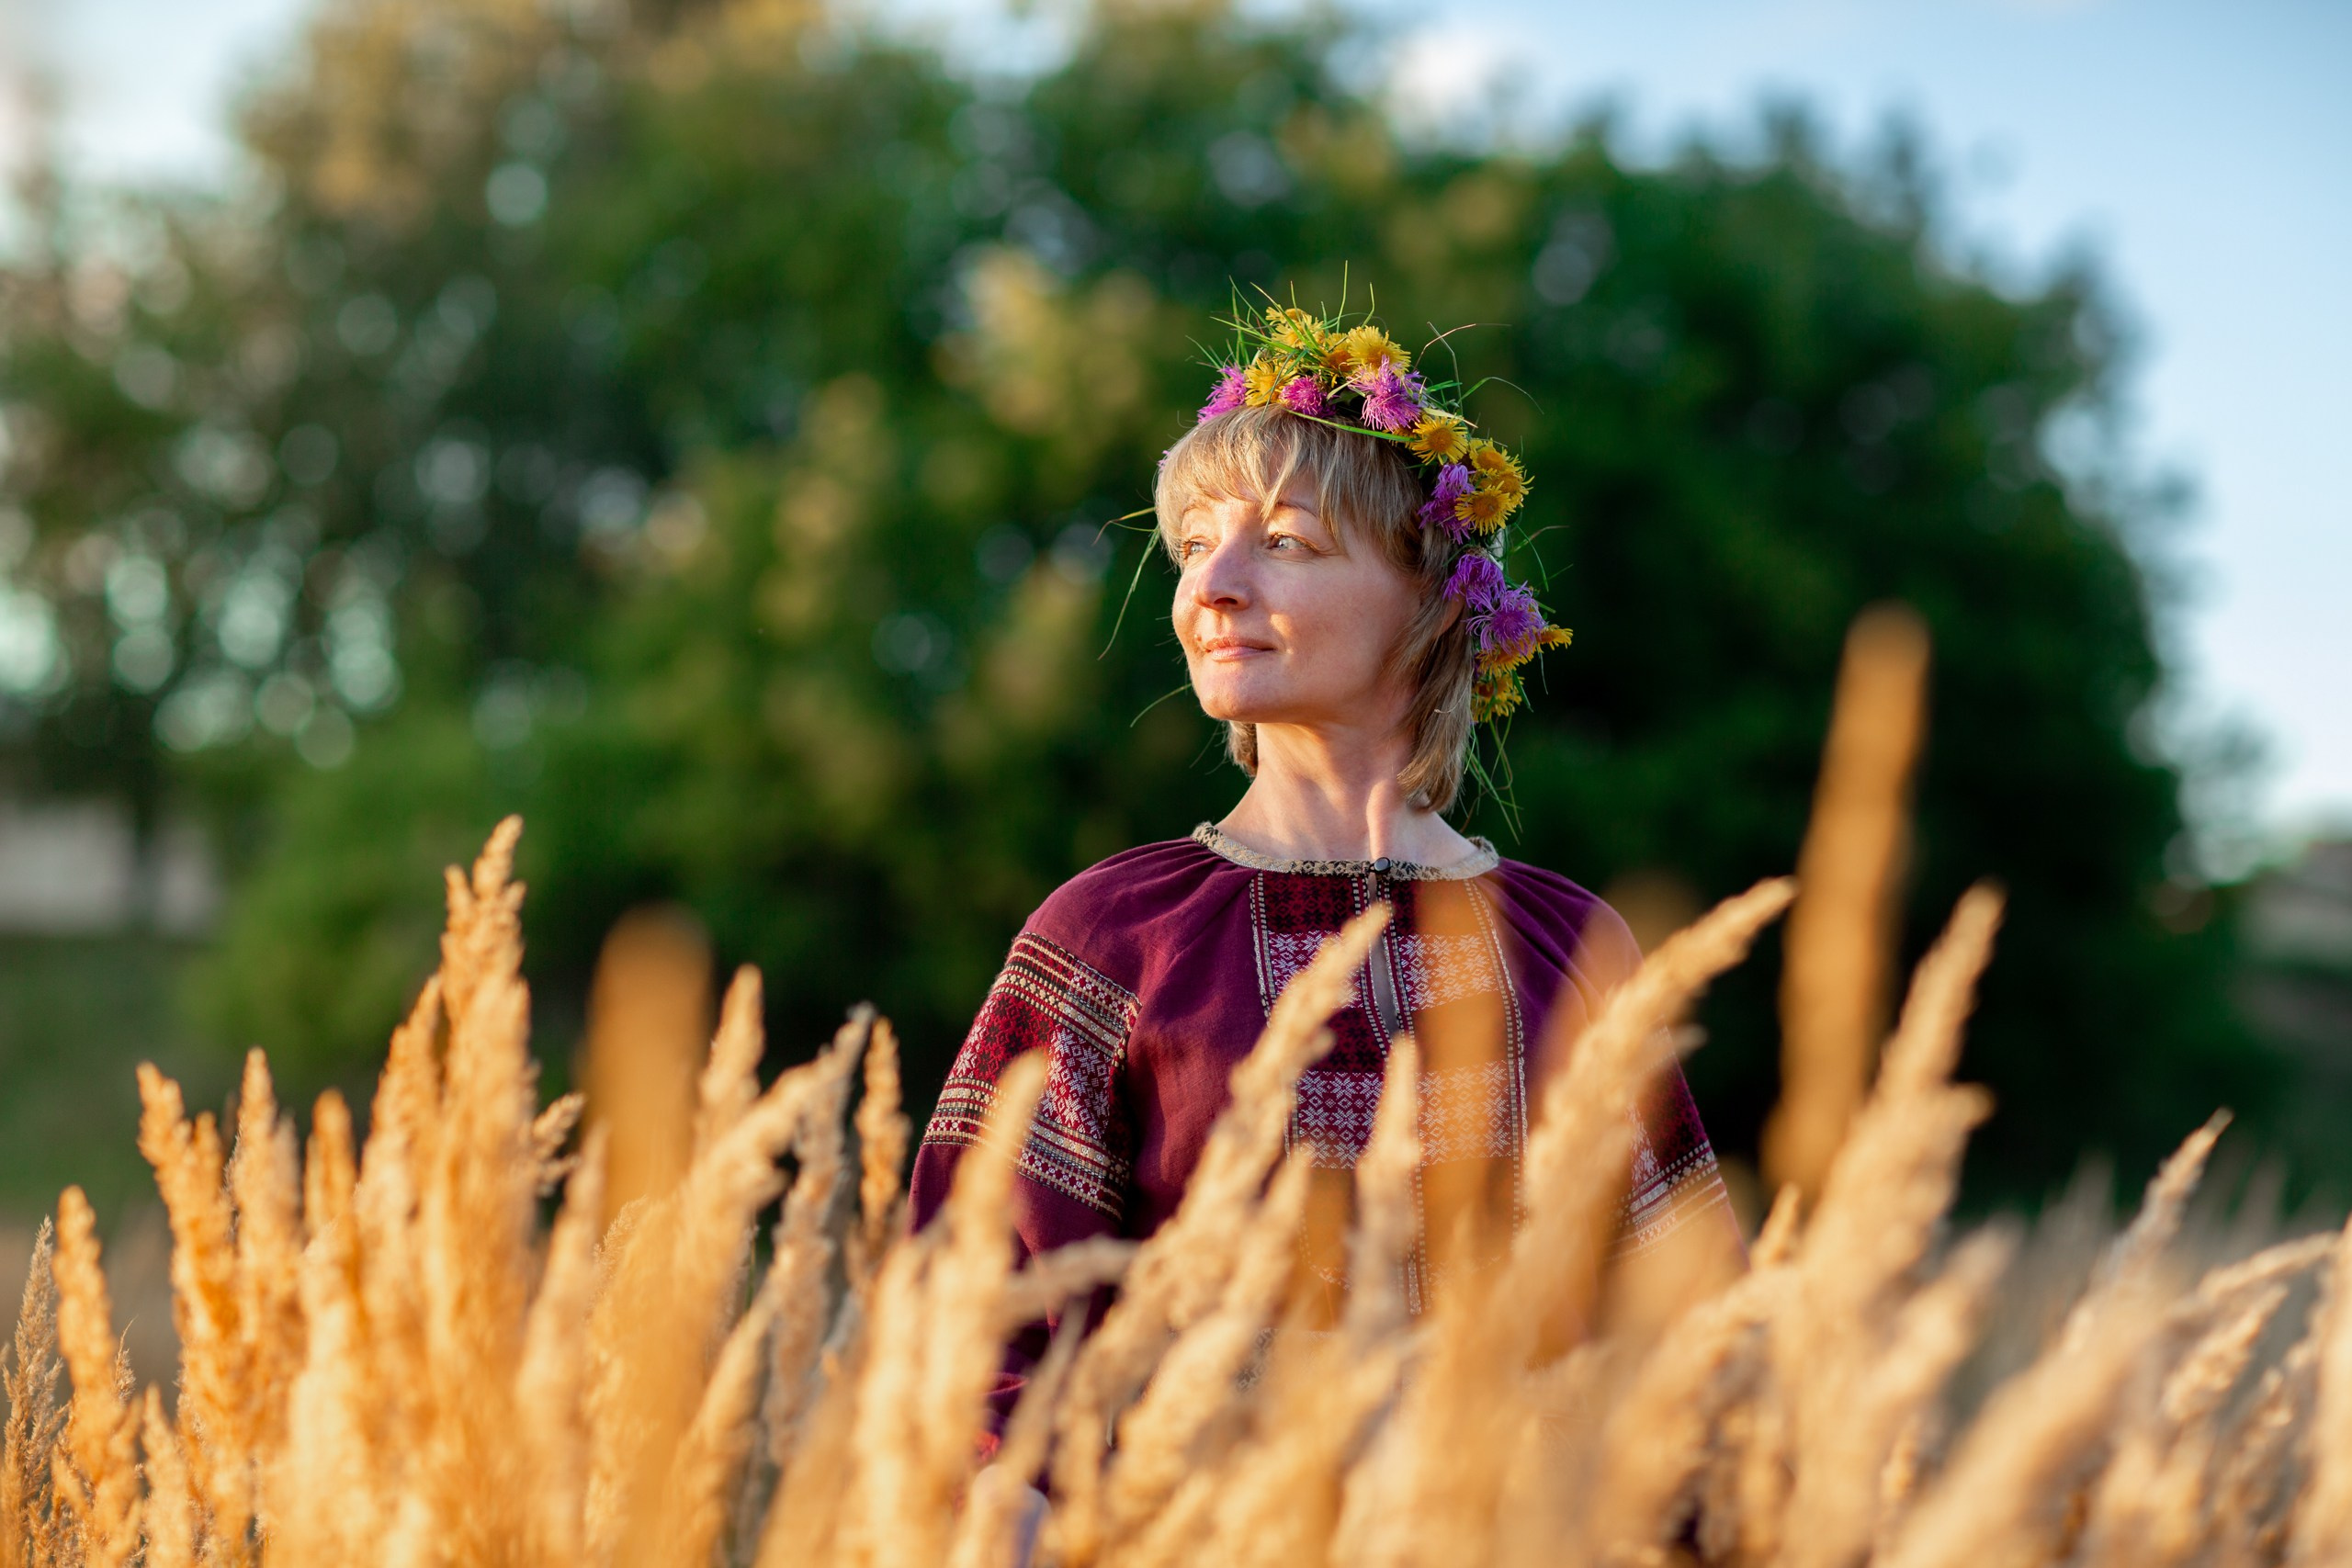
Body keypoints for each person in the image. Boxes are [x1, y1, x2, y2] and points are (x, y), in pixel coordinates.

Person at [908, 304, 1742, 1445]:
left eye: (1285, 542)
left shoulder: (1570, 945)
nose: (1212, 585)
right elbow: (972, 1331)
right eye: (1196, 542)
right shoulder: (1109, 934)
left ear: (1433, 598)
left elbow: (1692, 1349)